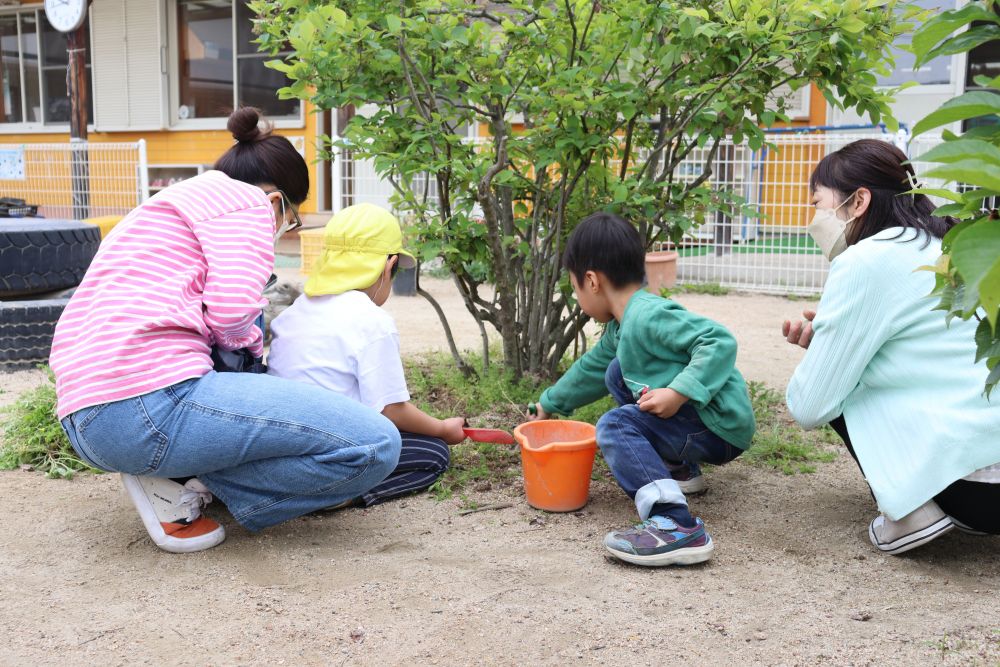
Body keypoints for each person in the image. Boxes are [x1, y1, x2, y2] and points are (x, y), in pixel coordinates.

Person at [51, 108, 401, 554]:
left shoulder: (166, 206)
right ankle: (189, 484)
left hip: (86, 418)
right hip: (150, 404)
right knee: (375, 443)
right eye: (291, 221)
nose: (283, 231)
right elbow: (233, 313)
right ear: (278, 203)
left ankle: (168, 472)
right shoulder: (248, 204)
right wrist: (253, 357)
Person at [784, 138, 1000, 554]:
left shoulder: (866, 260)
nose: (816, 217)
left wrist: (828, 348)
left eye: (819, 203)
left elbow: (810, 404)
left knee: (840, 383)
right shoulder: (952, 246)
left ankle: (910, 512)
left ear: (858, 200)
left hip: (973, 491)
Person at [528, 213, 756, 567]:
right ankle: (677, 469)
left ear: (591, 280)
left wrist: (679, 392)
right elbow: (591, 370)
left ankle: (676, 524)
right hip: (700, 425)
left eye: (574, 287)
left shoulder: (648, 315)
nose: (577, 297)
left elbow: (718, 340)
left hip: (718, 424)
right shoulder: (621, 328)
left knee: (614, 425)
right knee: (617, 372)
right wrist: (548, 403)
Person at [266, 204, 465, 506]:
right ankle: (341, 494)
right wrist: (441, 428)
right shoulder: (372, 322)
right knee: (433, 453)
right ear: (388, 267)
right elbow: (390, 411)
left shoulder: (296, 312)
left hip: (282, 452)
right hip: (331, 454)